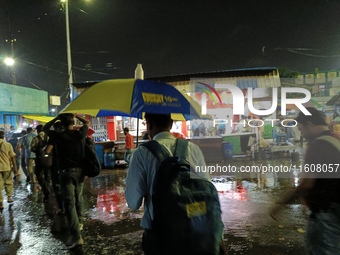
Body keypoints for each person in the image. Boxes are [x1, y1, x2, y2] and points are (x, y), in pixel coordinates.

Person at [125, 113, 212, 254]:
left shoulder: (141, 153)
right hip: (192, 232)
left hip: (158, 237)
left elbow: (133, 202)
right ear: (171, 124)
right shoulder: (193, 149)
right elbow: (206, 191)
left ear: (149, 125)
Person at [270, 107, 340, 254]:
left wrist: (280, 204)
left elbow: (307, 183)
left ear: (309, 124)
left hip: (326, 213)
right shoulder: (336, 139)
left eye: (301, 129)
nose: (301, 133)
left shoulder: (317, 146)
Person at [45, 113, 90, 249]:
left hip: (66, 173)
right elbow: (87, 122)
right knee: (79, 197)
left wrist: (56, 118)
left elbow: (45, 128)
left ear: (62, 123)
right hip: (80, 172)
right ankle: (80, 222)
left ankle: (77, 237)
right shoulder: (79, 134)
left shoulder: (58, 136)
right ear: (73, 122)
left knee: (69, 205)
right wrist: (77, 116)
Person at [30, 124, 50, 202]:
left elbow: (31, 148)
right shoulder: (48, 138)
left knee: (39, 175)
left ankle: (45, 190)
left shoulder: (36, 138)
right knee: (47, 175)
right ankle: (47, 188)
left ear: (37, 130)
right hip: (48, 159)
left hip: (39, 159)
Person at [0, 130, 18, 210]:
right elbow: (13, 157)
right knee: (8, 182)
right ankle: (9, 197)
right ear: (3, 136)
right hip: (6, 167)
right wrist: (15, 169)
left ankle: (0, 203)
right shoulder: (7, 145)